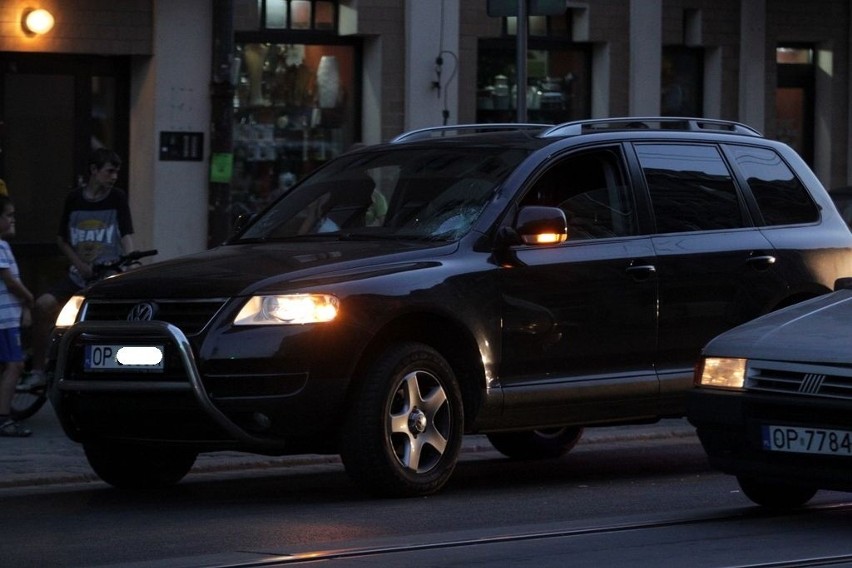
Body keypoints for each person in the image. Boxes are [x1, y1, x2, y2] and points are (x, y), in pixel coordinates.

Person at [23, 148, 135, 388]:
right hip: (78, 274)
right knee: (43, 306)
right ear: (94, 170)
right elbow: (61, 238)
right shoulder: (74, 199)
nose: (114, 177)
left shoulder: (117, 198)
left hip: (106, 273)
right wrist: (78, 264)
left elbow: (126, 233)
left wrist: (131, 259)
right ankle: (39, 369)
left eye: (116, 172)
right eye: (109, 171)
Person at [0, 195, 35, 436]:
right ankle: (3, 418)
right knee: (15, 365)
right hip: (4, 321)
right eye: (9, 215)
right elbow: (10, 281)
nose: (13, 220)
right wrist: (29, 298)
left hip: (8, 317)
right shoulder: (0, 246)